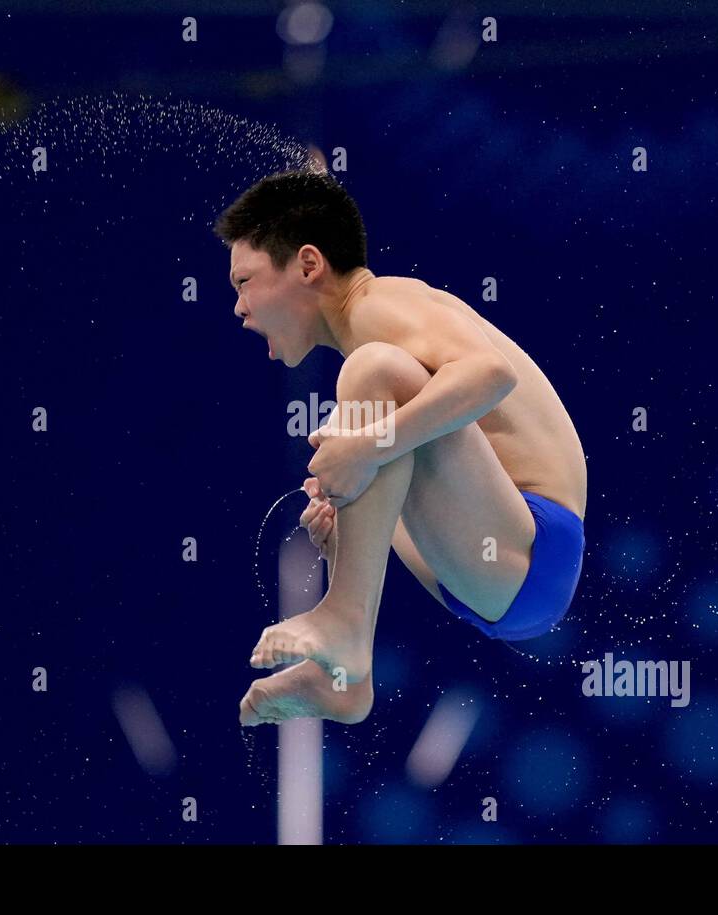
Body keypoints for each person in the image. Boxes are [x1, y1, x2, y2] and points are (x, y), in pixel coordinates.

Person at [214, 170, 587, 727]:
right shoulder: (371, 333)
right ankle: (344, 677)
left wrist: (367, 446)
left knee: (372, 383)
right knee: (351, 447)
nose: (238, 308)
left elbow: (490, 374)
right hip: (492, 567)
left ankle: (344, 627)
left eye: (244, 282)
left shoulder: (378, 306)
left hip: (533, 548)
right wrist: (347, 511)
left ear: (309, 265)